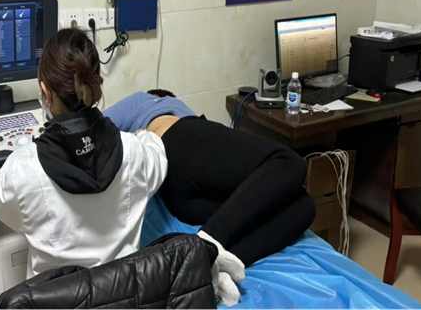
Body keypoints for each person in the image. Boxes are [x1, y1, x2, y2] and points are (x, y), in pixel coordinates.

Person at [0, 28, 169, 279]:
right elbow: (158, 154)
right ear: (92, 85)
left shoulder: (23, 171)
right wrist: (142, 136)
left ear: (46, 93)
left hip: (56, 296)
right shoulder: (134, 152)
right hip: (123, 294)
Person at [104, 91, 316, 296]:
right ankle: (207, 242)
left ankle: (213, 266)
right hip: (179, 143)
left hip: (181, 198)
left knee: (304, 206)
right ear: (161, 97)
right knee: (289, 162)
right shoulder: (146, 100)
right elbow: (97, 130)